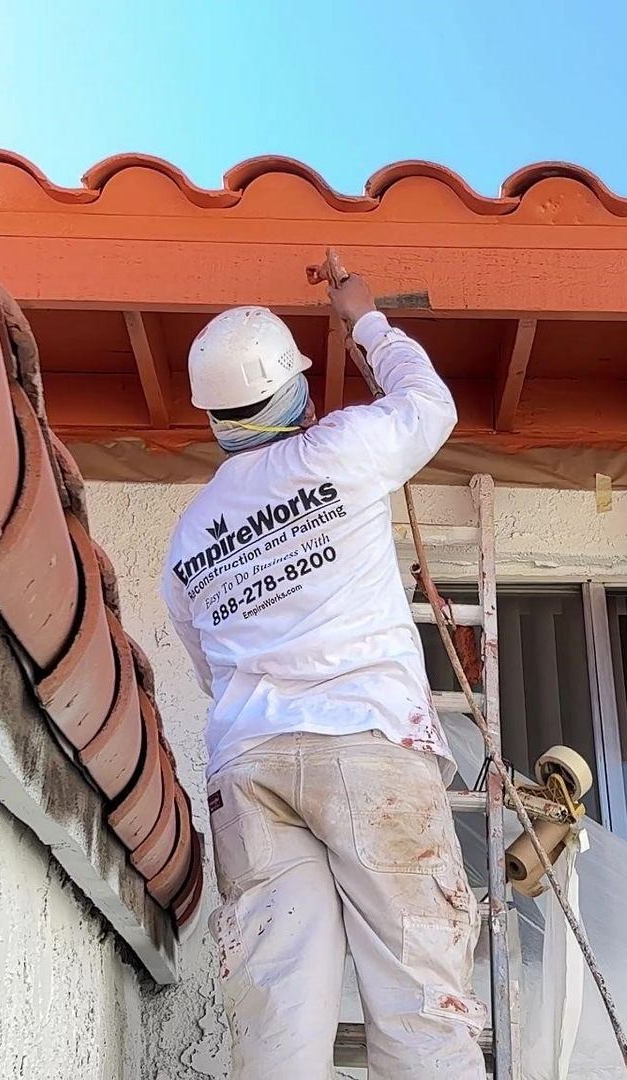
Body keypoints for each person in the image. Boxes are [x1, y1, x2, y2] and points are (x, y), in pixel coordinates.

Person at [160, 254, 482, 1078]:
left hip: (251, 765)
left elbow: (209, 666)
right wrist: (365, 320)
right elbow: (427, 405)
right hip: (367, 746)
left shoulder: (190, 538)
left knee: (277, 1012)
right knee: (418, 999)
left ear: (216, 417)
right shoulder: (340, 450)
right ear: (292, 393)